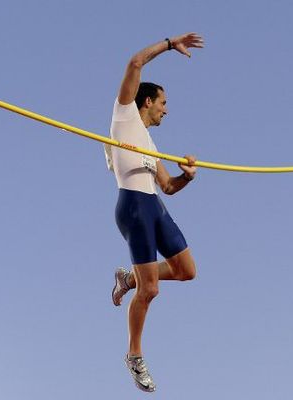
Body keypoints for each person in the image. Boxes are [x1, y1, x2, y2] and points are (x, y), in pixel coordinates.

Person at [107, 32, 204, 392]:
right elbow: (135, 62)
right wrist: (168, 44)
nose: (166, 108)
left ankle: (128, 279)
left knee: (187, 271)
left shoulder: (150, 143)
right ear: (147, 100)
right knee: (151, 290)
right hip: (133, 206)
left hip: (154, 204)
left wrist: (188, 177)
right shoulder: (124, 117)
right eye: (163, 102)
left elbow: (168, 187)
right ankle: (134, 354)